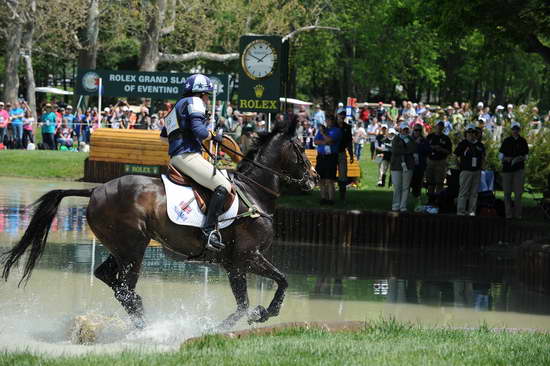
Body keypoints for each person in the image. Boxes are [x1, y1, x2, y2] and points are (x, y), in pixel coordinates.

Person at [159, 74, 231, 251]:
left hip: (177, 157)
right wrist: (214, 136)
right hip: (187, 156)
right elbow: (200, 131)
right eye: (207, 95)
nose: (207, 99)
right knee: (224, 186)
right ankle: (208, 232)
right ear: (201, 93)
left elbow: (163, 138)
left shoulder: (177, 105)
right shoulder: (195, 101)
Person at [499, 122, 529, 219]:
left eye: (517, 129)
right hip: (507, 170)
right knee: (507, 193)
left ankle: (518, 215)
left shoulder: (523, 141)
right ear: (511, 130)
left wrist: (520, 158)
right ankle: (508, 215)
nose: (515, 131)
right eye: (513, 129)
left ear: (519, 130)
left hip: (519, 170)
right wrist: (506, 159)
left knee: (518, 194)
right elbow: (500, 155)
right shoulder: (506, 141)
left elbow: (526, 156)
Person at [454, 124, 485, 216]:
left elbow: (483, 157)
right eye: (469, 132)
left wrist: (482, 167)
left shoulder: (480, 145)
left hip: (477, 171)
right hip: (466, 170)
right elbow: (455, 155)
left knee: (474, 193)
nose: (471, 134)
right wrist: (459, 166)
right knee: (463, 192)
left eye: (473, 132)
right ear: (466, 133)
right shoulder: (463, 144)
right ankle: (461, 211)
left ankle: (471, 211)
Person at [314, 115, 342, 205]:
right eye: (327, 120)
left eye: (329, 120)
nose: (327, 121)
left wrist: (323, 134)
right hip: (321, 156)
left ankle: (331, 199)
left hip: (331, 157)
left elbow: (330, 140)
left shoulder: (336, 130)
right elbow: (315, 141)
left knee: (330, 179)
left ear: (333, 121)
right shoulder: (322, 129)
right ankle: (323, 198)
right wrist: (324, 141)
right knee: (321, 179)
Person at [390, 122, 417, 212]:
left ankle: (403, 206)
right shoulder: (396, 139)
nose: (405, 131)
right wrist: (407, 151)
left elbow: (413, 148)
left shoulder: (410, 139)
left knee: (406, 187)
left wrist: (406, 140)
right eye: (403, 129)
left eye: (406, 129)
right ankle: (395, 205)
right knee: (397, 186)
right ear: (400, 130)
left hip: (408, 166)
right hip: (396, 166)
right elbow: (395, 150)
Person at [425, 121, 452, 197]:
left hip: (441, 162)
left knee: (439, 182)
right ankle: (430, 199)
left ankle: (438, 200)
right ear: (435, 127)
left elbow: (449, 151)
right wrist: (432, 147)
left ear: (443, 128)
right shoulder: (430, 137)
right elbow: (425, 147)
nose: (439, 128)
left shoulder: (446, 138)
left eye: (441, 126)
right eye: (438, 126)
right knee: (430, 182)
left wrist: (441, 149)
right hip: (430, 161)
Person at [336, 110, 354, 201]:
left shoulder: (347, 127)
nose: (342, 117)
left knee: (343, 175)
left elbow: (349, 143)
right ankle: (328, 195)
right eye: (341, 115)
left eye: (344, 115)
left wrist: (351, 155)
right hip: (332, 153)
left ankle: (342, 196)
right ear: (337, 115)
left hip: (342, 153)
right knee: (330, 174)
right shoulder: (332, 126)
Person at [410, 124, 430, 205]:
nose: (417, 132)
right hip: (410, 165)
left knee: (418, 183)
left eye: (419, 130)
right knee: (410, 183)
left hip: (420, 166)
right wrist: (415, 143)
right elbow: (408, 150)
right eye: (415, 130)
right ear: (413, 130)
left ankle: (417, 199)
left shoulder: (424, 140)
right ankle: (407, 200)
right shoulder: (410, 139)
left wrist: (419, 145)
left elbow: (428, 151)